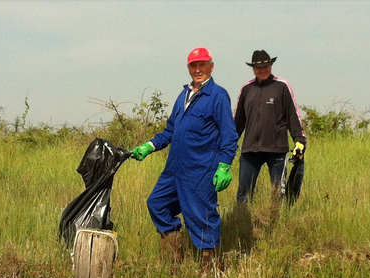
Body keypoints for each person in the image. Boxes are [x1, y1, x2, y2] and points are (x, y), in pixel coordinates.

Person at [130, 47, 239, 265]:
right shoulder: (184, 94)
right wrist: (149, 146)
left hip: (200, 169)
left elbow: (229, 135)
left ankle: (211, 269)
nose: (198, 69)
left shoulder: (217, 96)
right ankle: (175, 253)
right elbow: (171, 129)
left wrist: (225, 166)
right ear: (188, 68)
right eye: (193, 65)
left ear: (211, 66)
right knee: (157, 203)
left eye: (202, 65)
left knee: (201, 216)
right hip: (175, 169)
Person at [234, 49, 306, 205]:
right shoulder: (247, 89)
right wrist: (228, 145)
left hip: (277, 149)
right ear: (253, 68)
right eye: (259, 67)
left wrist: (299, 140)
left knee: (278, 192)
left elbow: (293, 116)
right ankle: (241, 224)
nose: (263, 70)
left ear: (271, 65)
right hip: (250, 150)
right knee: (243, 193)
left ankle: (276, 225)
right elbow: (238, 122)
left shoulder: (282, 86)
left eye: (266, 66)